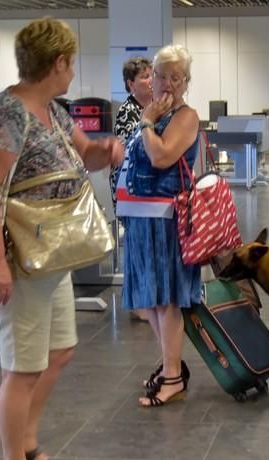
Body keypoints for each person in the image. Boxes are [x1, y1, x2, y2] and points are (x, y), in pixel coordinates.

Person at [0, 18, 123, 460]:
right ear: (57, 63)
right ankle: (14, 453)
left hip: (51, 256)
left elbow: (85, 154)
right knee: (21, 371)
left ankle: (28, 443)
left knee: (59, 352)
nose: (72, 72)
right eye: (70, 63)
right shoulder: (8, 114)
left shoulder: (53, 111)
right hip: (21, 259)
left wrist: (105, 149)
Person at [119, 44, 200, 407]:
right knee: (150, 300)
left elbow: (161, 155)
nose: (167, 83)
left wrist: (148, 121)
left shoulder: (184, 116)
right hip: (139, 216)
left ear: (185, 82)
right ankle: (171, 365)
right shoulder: (149, 115)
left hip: (166, 220)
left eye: (175, 77)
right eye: (161, 75)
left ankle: (172, 376)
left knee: (166, 300)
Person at [112, 57, 153, 322]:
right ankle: (137, 301)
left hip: (148, 188)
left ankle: (146, 296)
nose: (150, 82)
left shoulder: (151, 107)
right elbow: (133, 149)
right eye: (144, 77)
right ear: (130, 84)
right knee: (136, 244)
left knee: (145, 243)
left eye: (152, 75)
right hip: (130, 189)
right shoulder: (127, 112)